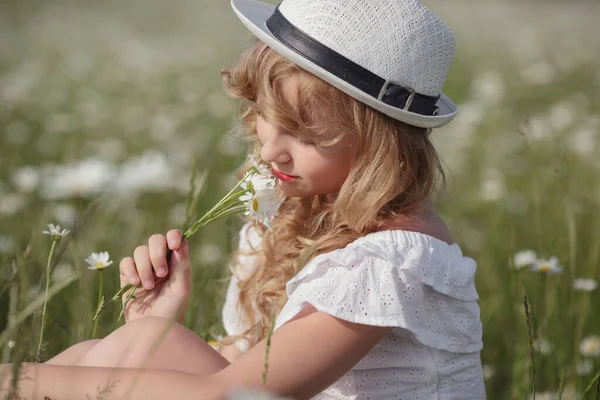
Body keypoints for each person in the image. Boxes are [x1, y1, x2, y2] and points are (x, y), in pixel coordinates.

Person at [0, 0, 486, 398]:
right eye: (262, 111)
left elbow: (234, 395)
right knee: (144, 340)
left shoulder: (390, 262)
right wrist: (155, 326)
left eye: (304, 134)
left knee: (128, 353)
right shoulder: (293, 210)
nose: (271, 148)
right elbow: (249, 367)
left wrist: (19, 381)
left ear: (382, 144)